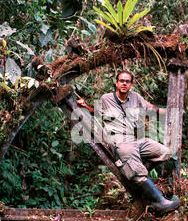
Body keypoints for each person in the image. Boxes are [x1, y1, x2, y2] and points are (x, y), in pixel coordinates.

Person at [77, 70, 179, 213]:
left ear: (131, 84)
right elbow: (95, 111)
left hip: (135, 139)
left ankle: (135, 171)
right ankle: (159, 203)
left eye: (127, 81)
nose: (124, 83)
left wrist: (168, 111)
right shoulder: (106, 99)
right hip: (119, 141)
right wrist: (84, 106)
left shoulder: (135, 97)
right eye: (121, 81)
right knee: (133, 164)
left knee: (165, 152)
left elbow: (150, 107)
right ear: (117, 83)